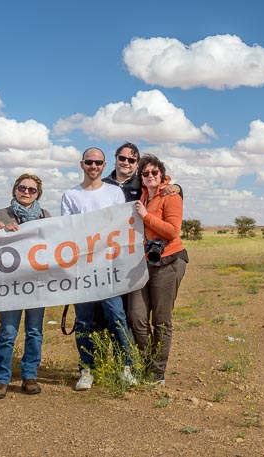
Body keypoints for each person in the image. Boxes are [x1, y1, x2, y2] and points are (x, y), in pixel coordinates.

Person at [60, 147, 137, 390]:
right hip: (81, 270)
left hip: (108, 269)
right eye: (89, 162)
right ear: (81, 164)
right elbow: (66, 231)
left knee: (116, 317)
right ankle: (87, 369)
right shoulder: (70, 195)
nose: (93, 166)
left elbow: (119, 226)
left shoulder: (114, 193)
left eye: (98, 163)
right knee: (83, 321)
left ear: (105, 166)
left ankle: (126, 367)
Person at [125, 154, 188, 386]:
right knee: (137, 317)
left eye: (154, 172)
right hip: (142, 264)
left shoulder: (170, 195)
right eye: (145, 173)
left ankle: (157, 372)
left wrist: (146, 216)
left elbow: (172, 231)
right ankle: (148, 362)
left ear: (161, 174)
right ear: (140, 178)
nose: (150, 176)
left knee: (161, 320)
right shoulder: (143, 196)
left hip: (169, 261)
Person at [0, 173, 50, 398]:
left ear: (38, 194)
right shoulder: (1, 214)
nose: (26, 192)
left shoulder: (46, 216)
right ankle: (1, 379)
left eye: (32, 190)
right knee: (7, 331)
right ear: (15, 190)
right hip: (10, 285)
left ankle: (30, 375)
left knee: (34, 331)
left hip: (37, 284)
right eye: (22, 188)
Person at [103, 141, 182, 202]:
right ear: (116, 159)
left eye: (131, 160)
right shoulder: (101, 184)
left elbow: (165, 187)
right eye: (122, 158)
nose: (126, 163)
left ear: (137, 164)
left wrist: (177, 187)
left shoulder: (145, 182)